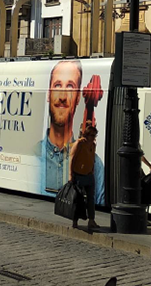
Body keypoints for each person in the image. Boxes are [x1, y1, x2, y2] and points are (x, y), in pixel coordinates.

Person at [37, 60, 106, 204]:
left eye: (70, 87)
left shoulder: (97, 164)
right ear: (48, 94)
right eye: (57, 86)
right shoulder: (34, 154)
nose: (62, 97)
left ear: (78, 98)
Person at [69, 124, 100, 231]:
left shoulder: (93, 145)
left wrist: (92, 170)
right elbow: (72, 158)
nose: (93, 137)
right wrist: (70, 175)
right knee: (78, 199)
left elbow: (91, 158)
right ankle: (75, 221)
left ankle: (91, 220)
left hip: (89, 175)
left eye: (95, 135)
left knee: (91, 199)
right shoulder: (79, 144)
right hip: (79, 175)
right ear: (86, 135)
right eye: (91, 135)